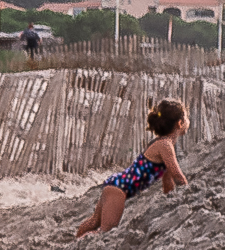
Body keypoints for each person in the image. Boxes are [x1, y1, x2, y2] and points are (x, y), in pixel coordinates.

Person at [75, 98, 189, 237]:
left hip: (116, 184)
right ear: (180, 123)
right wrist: (189, 193)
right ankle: (78, 242)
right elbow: (177, 176)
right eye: (187, 117)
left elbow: (168, 180)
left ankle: (76, 240)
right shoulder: (165, 146)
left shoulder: (162, 144)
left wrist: (171, 199)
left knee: (95, 221)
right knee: (105, 232)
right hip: (120, 190)